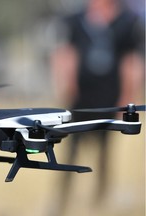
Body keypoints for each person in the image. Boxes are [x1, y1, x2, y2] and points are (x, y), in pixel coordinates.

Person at [50, 0, 144, 214]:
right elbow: (66, 54)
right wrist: (65, 84)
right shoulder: (75, 19)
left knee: (104, 152)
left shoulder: (128, 21)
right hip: (80, 98)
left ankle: (99, 201)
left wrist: (127, 98)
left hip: (109, 97)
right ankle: (62, 198)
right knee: (71, 149)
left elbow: (131, 61)